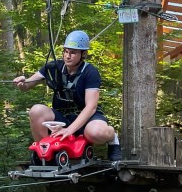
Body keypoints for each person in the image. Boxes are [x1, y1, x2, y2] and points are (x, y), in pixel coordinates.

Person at [13, 30, 121, 161]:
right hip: (63, 117)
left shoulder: (90, 72)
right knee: (36, 110)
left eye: (73, 52)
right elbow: (26, 86)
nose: (68, 56)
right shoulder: (53, 67)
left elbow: (91, 107)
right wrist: (21, 83)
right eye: (66, 51)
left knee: (95, 133)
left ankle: (113, 139)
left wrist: (70, 130)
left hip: (87, 118)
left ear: (83, 54)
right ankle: (46, 154)